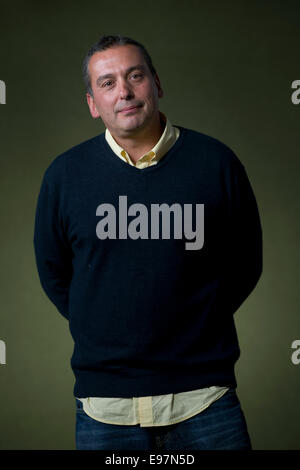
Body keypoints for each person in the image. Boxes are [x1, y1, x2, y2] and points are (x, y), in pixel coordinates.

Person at [33, 34, 263, 451]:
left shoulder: (216, 163)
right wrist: (102, 323)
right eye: (107, 83)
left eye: (134, 76)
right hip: (106, 407)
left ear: (156, 83)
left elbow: (247, 261)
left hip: (205, 398)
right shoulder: (64, 176)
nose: (124, 91)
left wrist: (198, 321)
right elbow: (54, 272)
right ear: (92, 103)